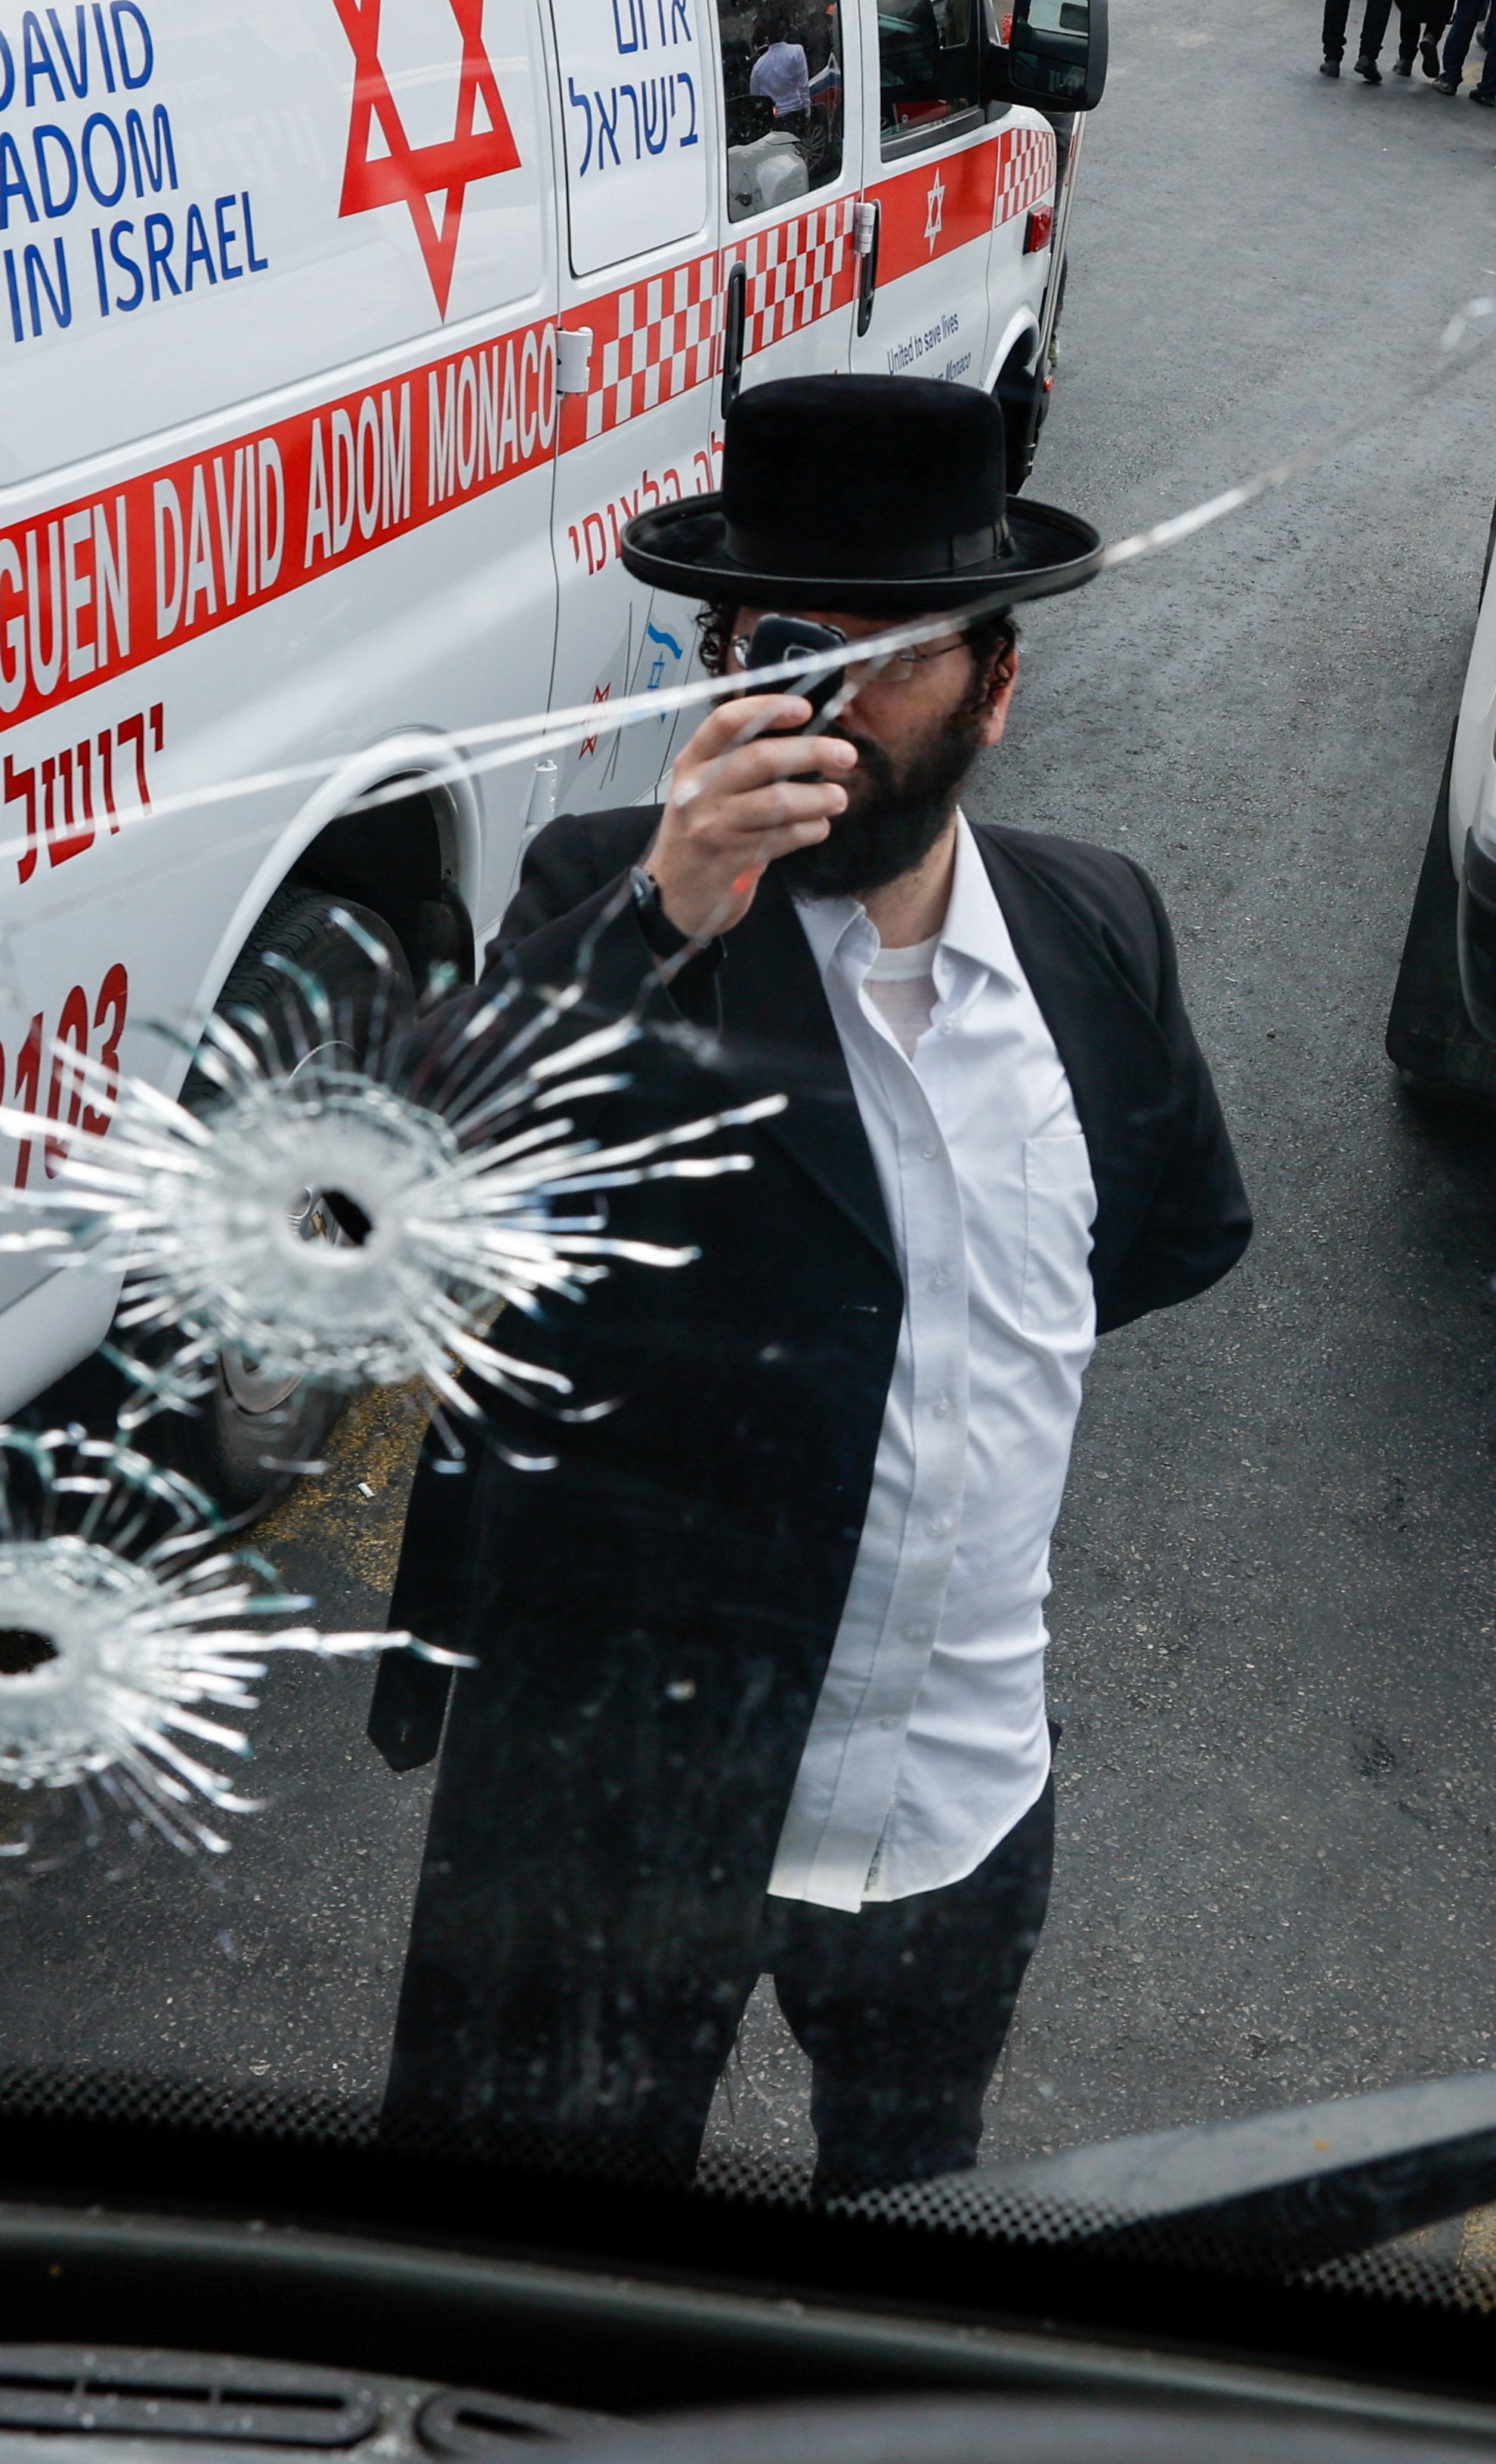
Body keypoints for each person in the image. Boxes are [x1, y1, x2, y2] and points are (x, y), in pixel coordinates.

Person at [370, 377, 1248, 2197]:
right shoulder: (603, 889)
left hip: (951, 1800)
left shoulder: (1097, 931)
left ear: (996, 688)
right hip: (616, 1804)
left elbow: (1163, 1232)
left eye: (893, 654)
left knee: (909, 2233)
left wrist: (911, 1354)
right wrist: (659, 919)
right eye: (782, 646)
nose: (829, 704)